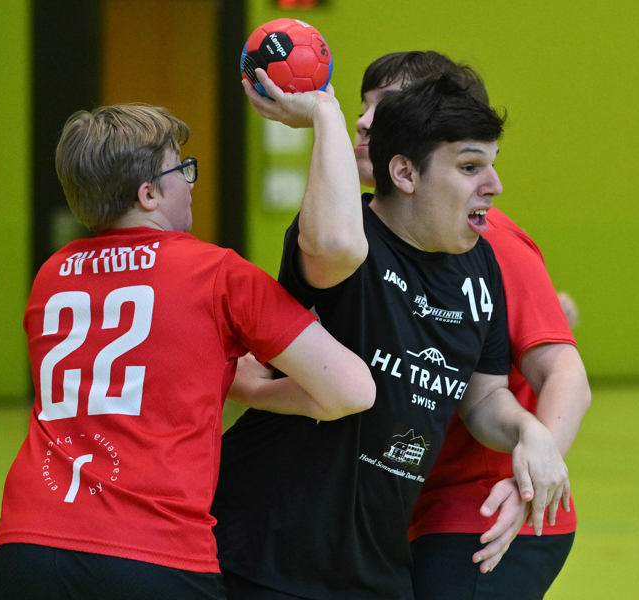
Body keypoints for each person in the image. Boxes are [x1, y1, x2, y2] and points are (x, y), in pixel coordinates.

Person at [0, 103, 376, 600]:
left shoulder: (51, 276)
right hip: (153, 553)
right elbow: (352, 390)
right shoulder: (215, 274)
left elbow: (145, 365)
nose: (191, 183)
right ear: (147, 194)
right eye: (181, 170)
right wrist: (260, 393)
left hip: (28, 547)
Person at [211, 69, 570, 599]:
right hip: (266, 548)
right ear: (403, 172)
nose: (493, 185)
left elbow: (484, 397)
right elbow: (333, 240)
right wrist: (323, 114)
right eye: (470, 166)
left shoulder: (482, 267)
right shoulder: (349, 241)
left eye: (492, 165)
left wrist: (530, 432)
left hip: (374, 566)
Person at [351, 52, 592, 599]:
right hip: (407, 508)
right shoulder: (362, 230)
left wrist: (533, 470)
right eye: (361, 107)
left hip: (484, 506)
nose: (364, 122)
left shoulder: (488, 240)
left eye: (385, 107)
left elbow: (563, 369)